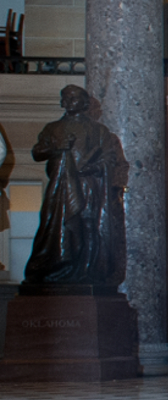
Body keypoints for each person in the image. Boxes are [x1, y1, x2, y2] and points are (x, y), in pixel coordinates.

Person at [25, 84, 126, 291]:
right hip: (60, 188)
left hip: (88, 185)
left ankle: (87, 271)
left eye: (73, 98)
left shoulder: (98, 131)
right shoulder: (53, 128)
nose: (68, 102)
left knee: (89, 226)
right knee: (57, 226)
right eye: (65, 98)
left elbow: (109, 157)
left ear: (85, 103)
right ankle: (57, 268)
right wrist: (56, 147)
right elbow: (37, 152)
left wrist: (93, 167)